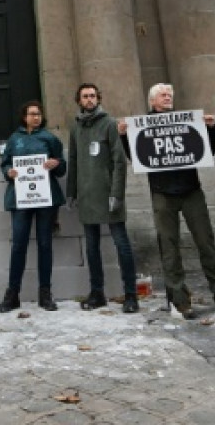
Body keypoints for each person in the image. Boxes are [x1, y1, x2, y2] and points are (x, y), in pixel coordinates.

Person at [120, 84, 215, 317]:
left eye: (170, 94)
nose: (168, 97)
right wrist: (123, 135)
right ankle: (179, 299)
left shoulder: (188, 122)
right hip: (162, 192)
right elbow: (136, 156)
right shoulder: (142, 125)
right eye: (163, 95)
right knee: (169, 248)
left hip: (191, 190)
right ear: (152, 101)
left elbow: (206, 150)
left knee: (207, 244)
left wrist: (210, 130)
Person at [65, 84, 139, 314]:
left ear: (98, 98)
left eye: (93, 96)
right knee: (92, 247)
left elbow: (119, 161)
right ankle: (97, 292)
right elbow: (74, 161)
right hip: (87, 195)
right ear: (79, 100)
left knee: (121, 245)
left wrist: (117, 193)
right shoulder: (76, 127)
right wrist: (71, 192)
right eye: (85, 96)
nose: (89, 99)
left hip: (108, 194)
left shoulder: (109, 124)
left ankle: (131, 295)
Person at [0, 101, 65, 313]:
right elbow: (5, 163)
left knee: (45, 244)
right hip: (20, 199)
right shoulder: (14, 139)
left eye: (38, 114)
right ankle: (13, 294)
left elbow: (61, 165)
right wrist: (9, 172)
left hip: (45, 199)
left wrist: (56, 164)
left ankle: (45, 293)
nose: (36, 117)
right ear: (24, 117)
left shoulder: (49, 138)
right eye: (32, 114)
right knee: (19, 245)